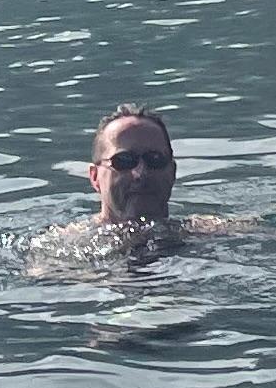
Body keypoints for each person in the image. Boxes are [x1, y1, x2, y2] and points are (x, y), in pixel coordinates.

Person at [26, 104, 256, 271]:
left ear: (172, 172)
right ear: (95, 178)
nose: (140, 173)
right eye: (124, 162)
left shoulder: (207, 232)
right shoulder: (59, 247)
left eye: (155, 160)